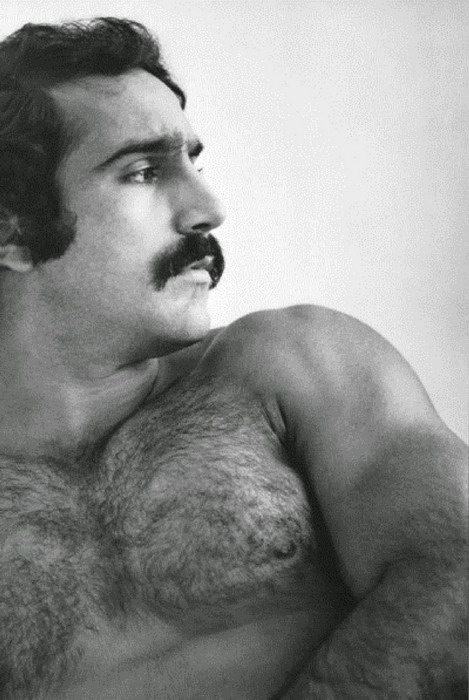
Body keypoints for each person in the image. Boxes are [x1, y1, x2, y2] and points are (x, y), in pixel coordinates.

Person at [0, 17, 466, 700]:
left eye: (195, 164)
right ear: (12, 230)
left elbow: (456, 575)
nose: (208, 209)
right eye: (143, 172)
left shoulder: (296, 365)